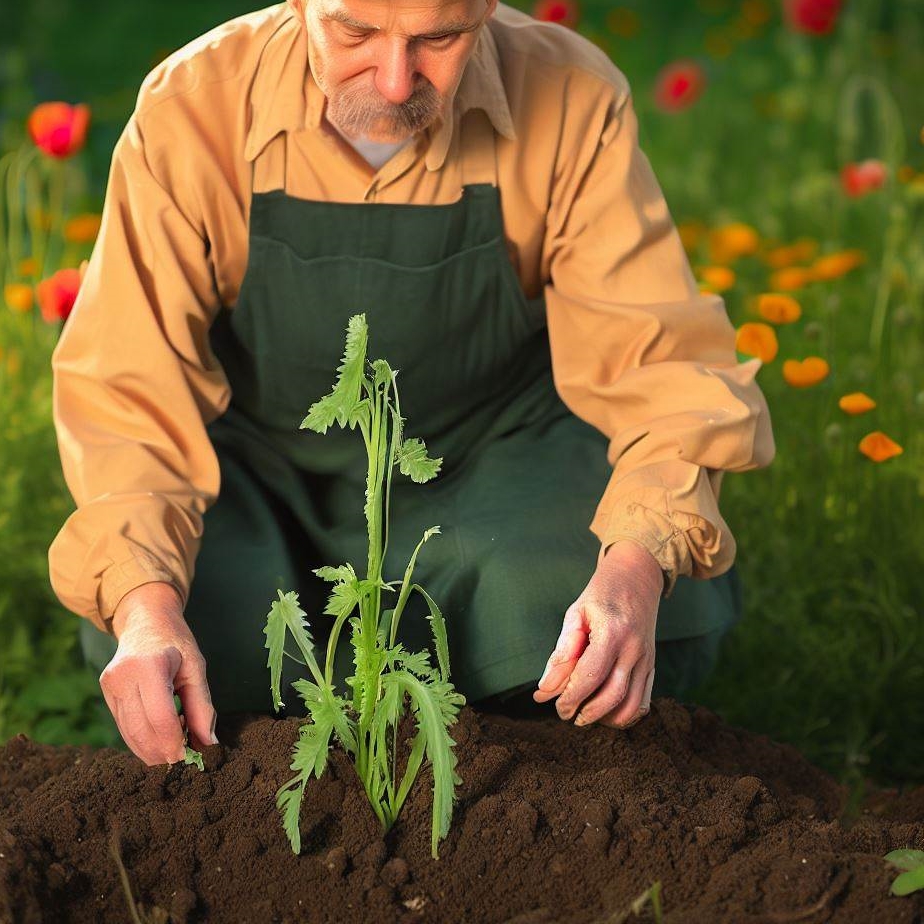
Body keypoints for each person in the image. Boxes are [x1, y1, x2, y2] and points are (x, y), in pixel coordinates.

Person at [48, 0, 774, 767]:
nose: (396, 83)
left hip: (501, 469)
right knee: (197, 625)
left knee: (575, 620)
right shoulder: (190, 108)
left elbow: (662, 366)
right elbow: (128, 395)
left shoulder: (571, 96)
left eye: (440, 38)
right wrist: (147, 608)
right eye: (355, 33)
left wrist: (632, 569)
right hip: (262, 480)